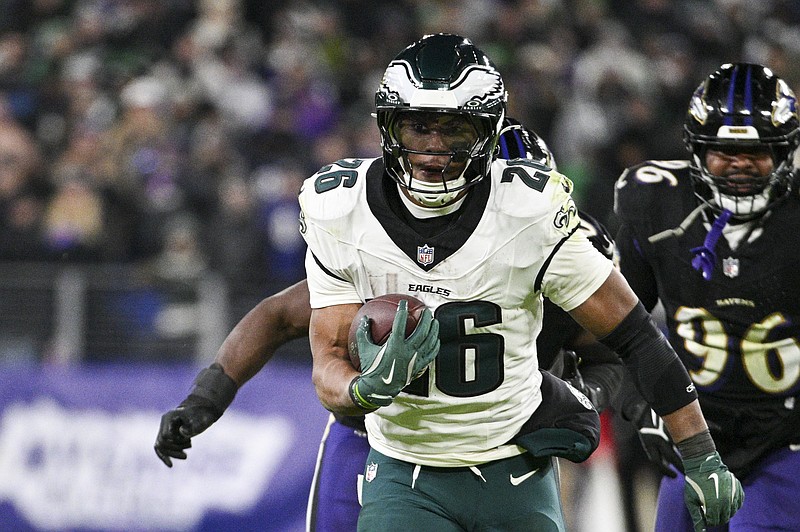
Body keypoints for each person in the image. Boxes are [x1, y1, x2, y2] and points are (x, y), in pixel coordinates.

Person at [298, 33, 741, 531]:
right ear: (387, 126)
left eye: (456, 130)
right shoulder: (340, 209)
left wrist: (701, 453)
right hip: (404, 470)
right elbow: (327, 364)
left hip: (515, 471)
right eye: (418, 127)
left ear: (487, 134)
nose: (433, 149)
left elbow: (634, 334)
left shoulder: (528, 211)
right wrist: (365, 389)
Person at [153, 118, 629, 531]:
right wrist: (207, 398)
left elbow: (617, 348)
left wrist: (585, 395)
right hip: (375, 440)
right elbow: (278, 316)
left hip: (495, 453)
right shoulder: (396, 251)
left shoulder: (565, 250)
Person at [614, 62, 800, 531]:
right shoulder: (655, 202)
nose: (739, 164)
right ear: (697, 151)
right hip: (696, 437)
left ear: (784, 154)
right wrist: (644, 407)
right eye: (724, 151)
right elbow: (618, 326)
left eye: (757, 152)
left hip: (787, 440)